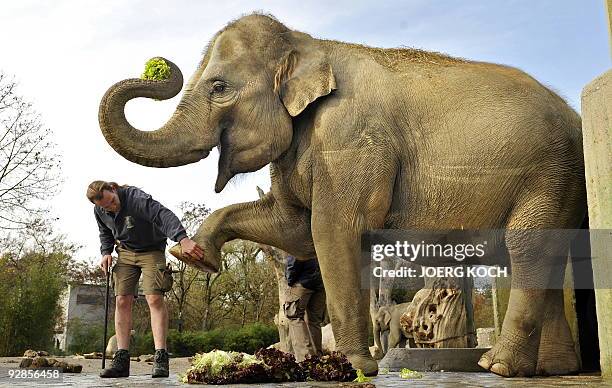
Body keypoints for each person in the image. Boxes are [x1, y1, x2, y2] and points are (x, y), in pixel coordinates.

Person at [86, 180, 203, 378]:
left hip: (152, 250)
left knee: (154, 298)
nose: (111, 208)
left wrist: (183, 239)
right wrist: (106, 252)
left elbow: (162, 215)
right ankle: (121, 360)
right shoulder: (100, 210)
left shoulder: (135, 198)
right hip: (126, 252)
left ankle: (161, 358)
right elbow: (105, 231)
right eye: (106, 207)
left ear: (113, 189)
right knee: (122, 299)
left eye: (112, 202)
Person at [283, 255, 326, 362]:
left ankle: (306, 358)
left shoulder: (296, 239)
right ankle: (317, 357)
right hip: (321, 282)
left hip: (302, 282)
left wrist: (290, 280)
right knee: (314, 320)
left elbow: (294, 261)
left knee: (293, 314)